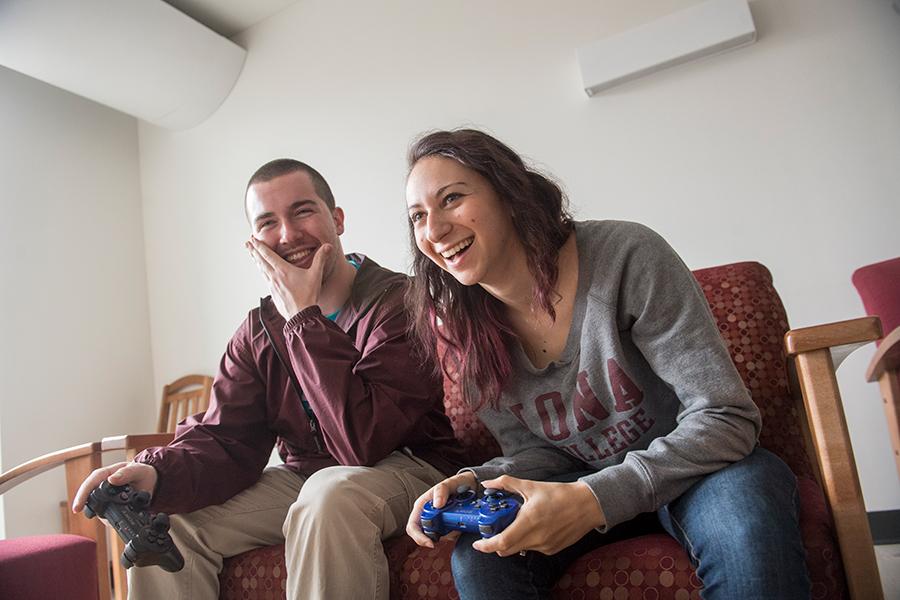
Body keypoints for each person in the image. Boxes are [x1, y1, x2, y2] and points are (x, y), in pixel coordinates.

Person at [403, 129, 810, 599]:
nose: (434, 231)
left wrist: (595, 499)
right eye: (418, 217)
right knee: (481, 558)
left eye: (451, 199)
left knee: (744, 524)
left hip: (700, 470)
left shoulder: (627, 256)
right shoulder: (465, 332)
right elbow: (542, 454)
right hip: (576, 485)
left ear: (509, 194)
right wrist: (479, 480)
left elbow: (726, 417)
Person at [73, 158, 466, 600]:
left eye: (302, 211)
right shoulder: (259, 329)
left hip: (412, 467)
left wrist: (303, 316)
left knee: (329, 493)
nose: (287, 235)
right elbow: (226, 438)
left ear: (336, 219)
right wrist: (154, 473)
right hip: (310, 478)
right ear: (254, 242)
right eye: (267, 222)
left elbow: (364, 443)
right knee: (175, 522)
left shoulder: (401, 303)